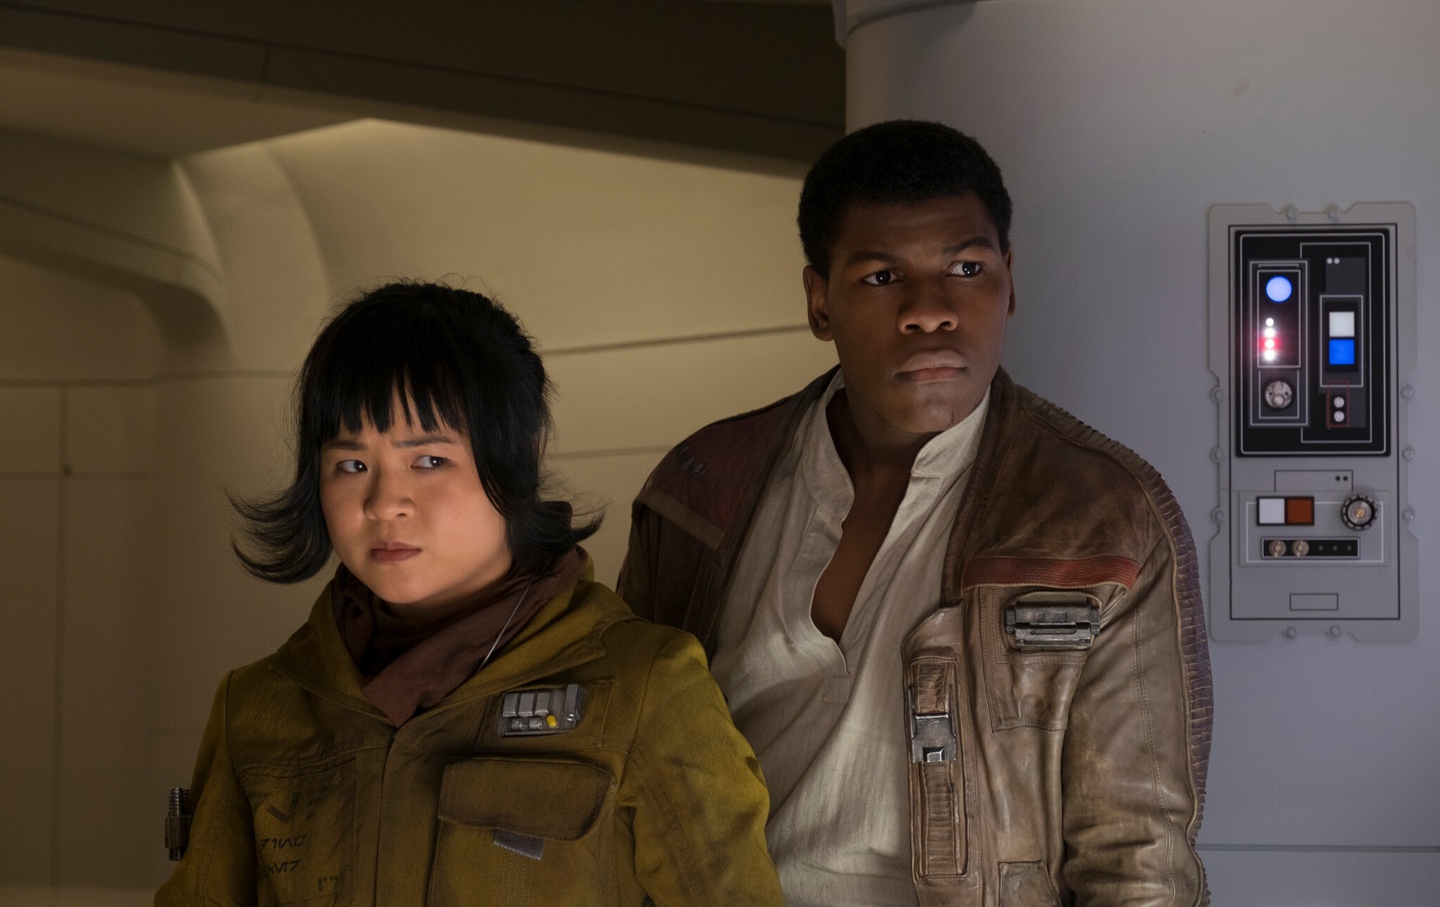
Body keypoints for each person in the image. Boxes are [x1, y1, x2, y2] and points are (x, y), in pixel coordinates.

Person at [619, 120, 1211, 906]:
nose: (930, 311)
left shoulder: (1102, 516)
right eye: (880, 276)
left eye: (967, 268)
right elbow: (620, 769)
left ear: (1010, 282)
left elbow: (1137, 856)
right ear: (819, 302)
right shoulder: (700, 489)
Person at [157, 281, 783, 907]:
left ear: (521, 456)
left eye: (429, 460)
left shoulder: (645, 688)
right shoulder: (257, 707)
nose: (384, 504)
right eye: (352, 465)